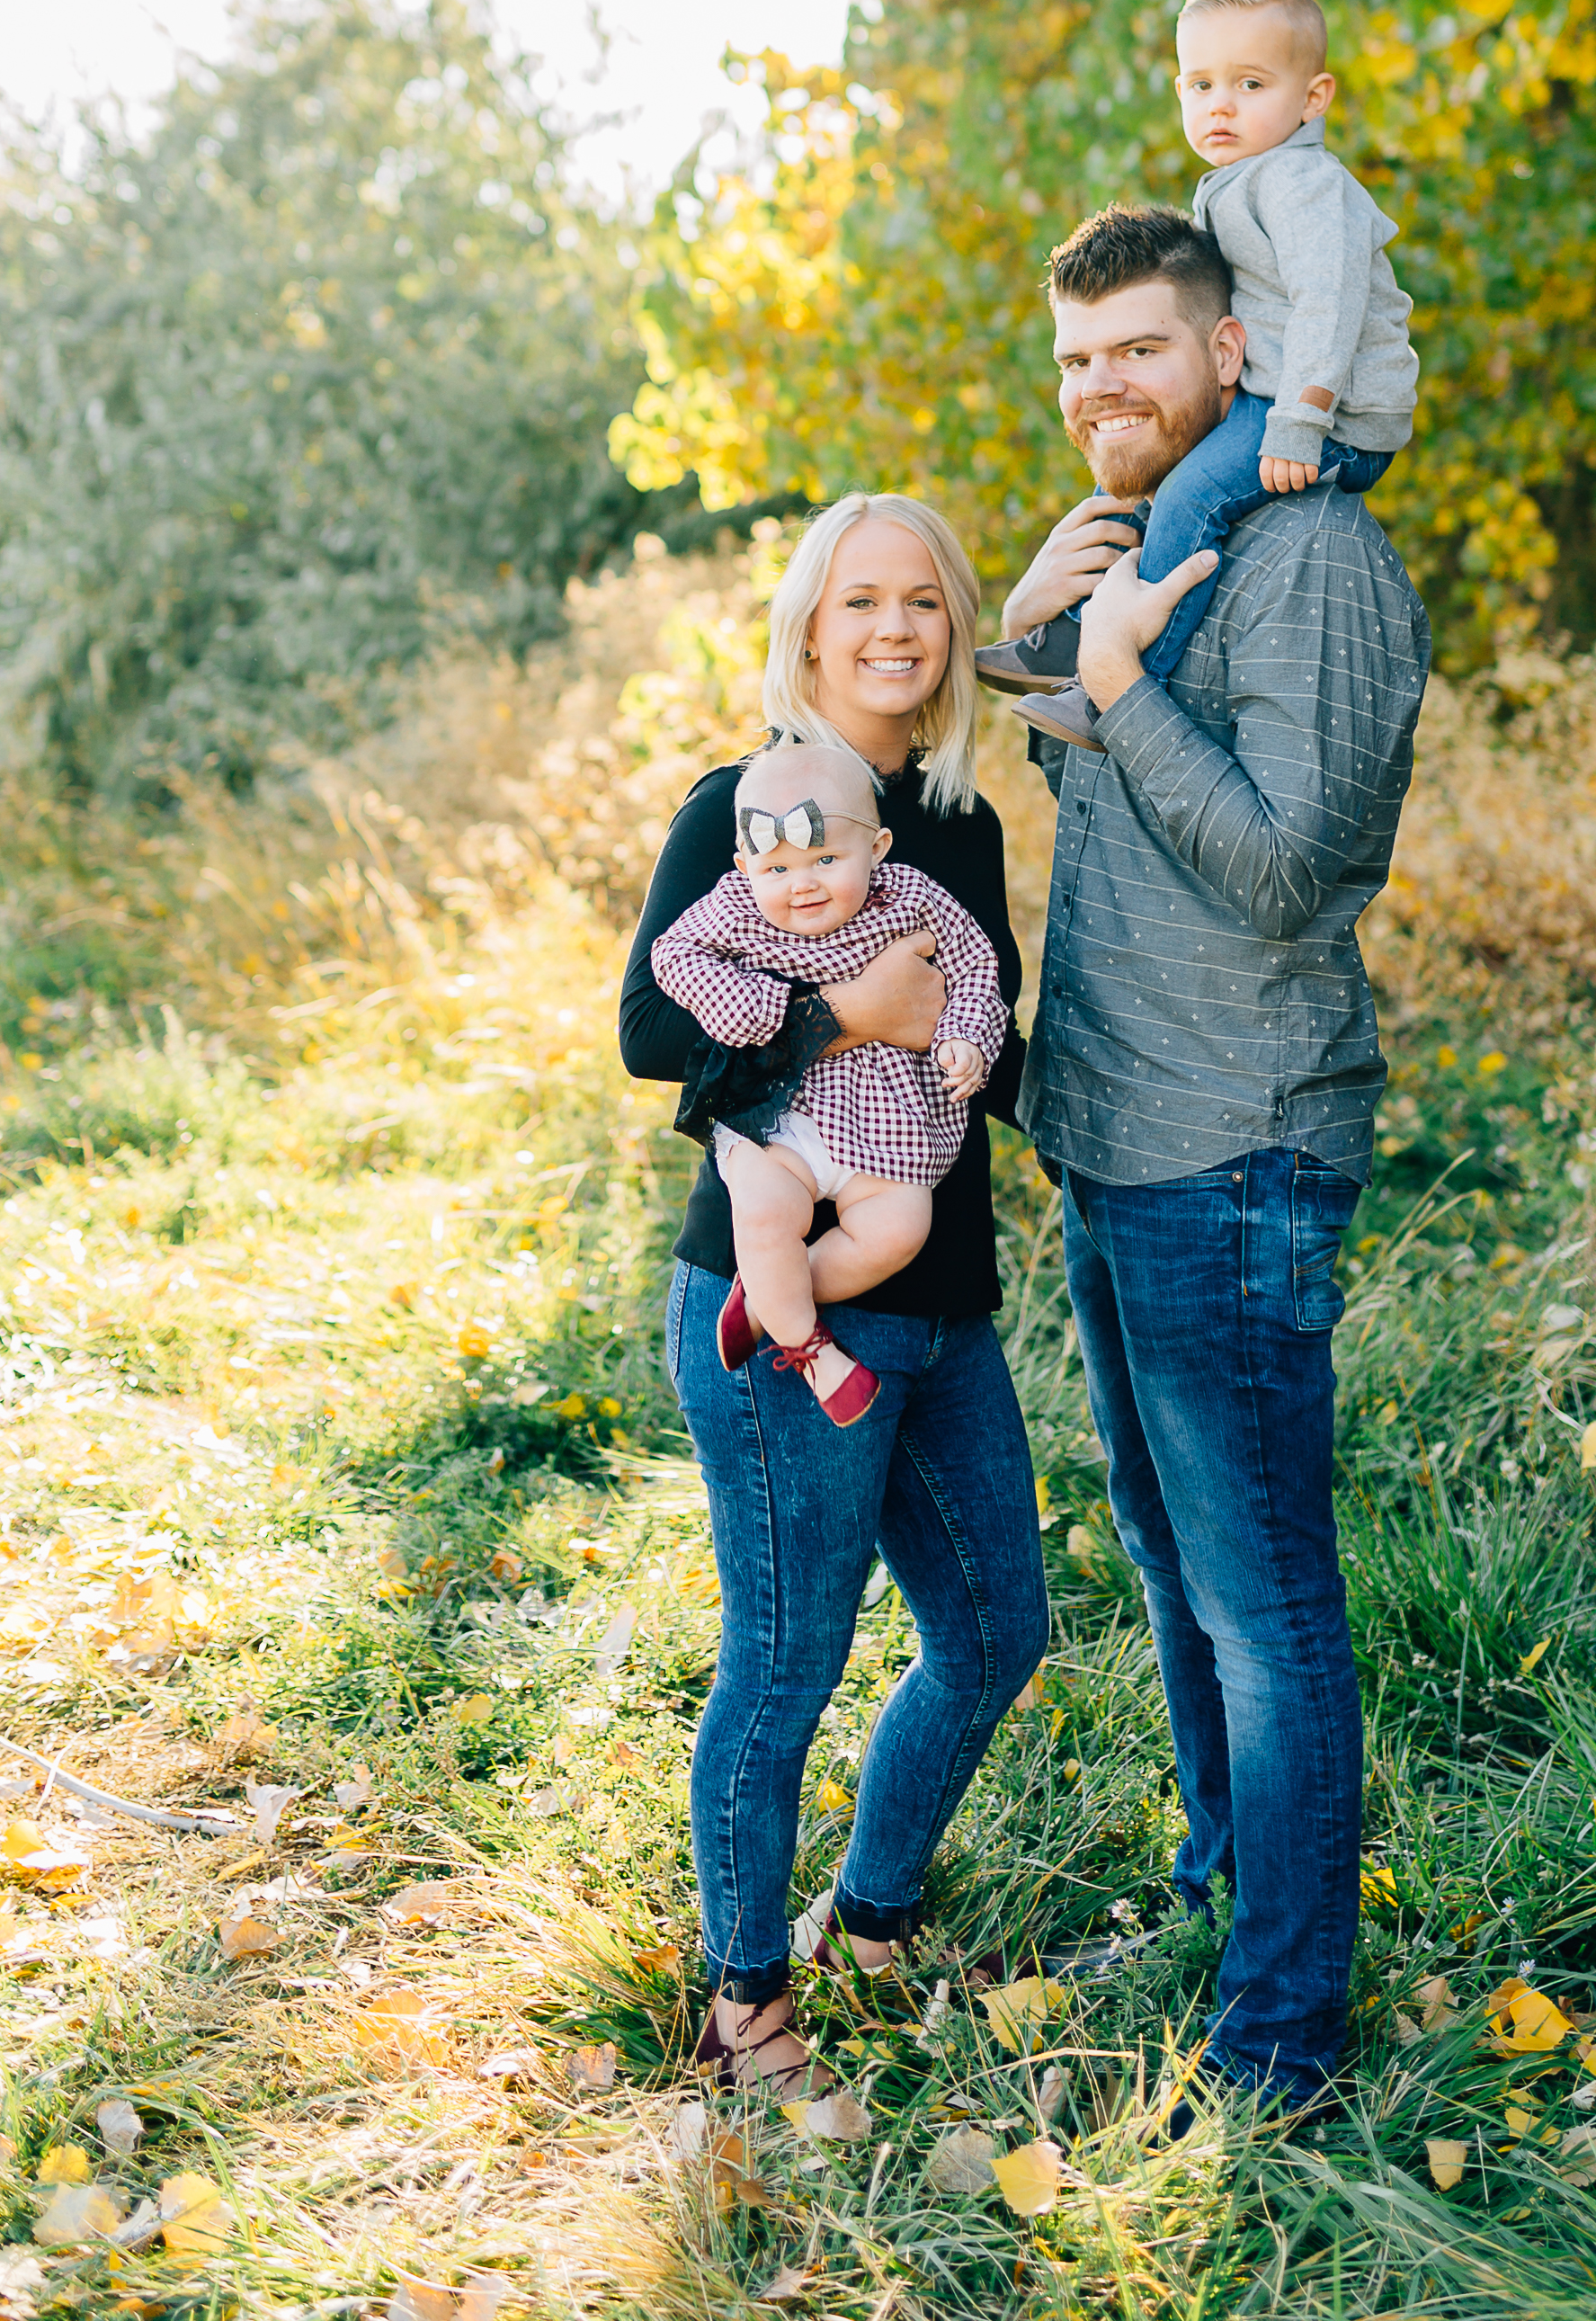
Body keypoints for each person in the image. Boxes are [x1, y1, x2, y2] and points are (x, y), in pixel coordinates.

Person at [1000, 202, 1431, 2119]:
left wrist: (1112, 688)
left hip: (1235, 1141)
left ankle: (1282, 2031)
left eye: (1139, 353)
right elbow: (1058, 760)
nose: (1105, 387)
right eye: (1079, 359)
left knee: (1262, 1597)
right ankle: (1221, 1891)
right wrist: (1046, 630)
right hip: (1110, 1128)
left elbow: (1291, 868)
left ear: (1231, 351)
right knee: (1175, 1564)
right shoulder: (1143, 545)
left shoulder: (1310, 559)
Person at [620, 494, 1047, 2097]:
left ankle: (866, 1921)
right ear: (808, 629)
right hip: (779, 1296)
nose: (891, 630)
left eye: (923, 605)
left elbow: (985, 1040)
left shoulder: (959, 825)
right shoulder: (739, 805)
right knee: (786, 1662)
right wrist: (840, 1025)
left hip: (941, 1294)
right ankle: (747, 2007)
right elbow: (651, 1032)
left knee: (997, 1628)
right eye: (858, 602)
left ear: (951, 634)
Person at [977, 0, 1418, 751]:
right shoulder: (1235, 180)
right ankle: (1066, 633)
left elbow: (1331, 302)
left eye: (1249, 84)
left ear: (1313, 98)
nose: (1219, 104)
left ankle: (1104, 684)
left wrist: (1300, 420)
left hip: (1331, 416)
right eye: (1199, 84)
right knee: (1160, 500)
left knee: (1186, 501)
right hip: (1276, 399)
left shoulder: (1303, 184)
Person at [648, 734, 1005, 1427]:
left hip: (889, 1120)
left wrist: (966, 1036)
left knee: (898, 1230)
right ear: (744, 864)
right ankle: (811, 1349)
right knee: (763, 1210)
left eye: (825, 859)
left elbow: (975, 971)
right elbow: (674, 955)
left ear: (878, 848)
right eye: (776, 867)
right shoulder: (735, 905)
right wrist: (755, 1006)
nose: (801, 882)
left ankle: (766, 1299)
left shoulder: (913, 897)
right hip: (780, 1117)